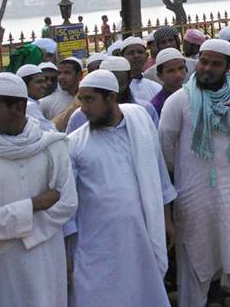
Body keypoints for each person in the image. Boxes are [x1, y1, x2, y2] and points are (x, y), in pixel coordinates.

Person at [158, 39, 230, 307]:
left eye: (216, 64)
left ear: (229, 66)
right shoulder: (179, 100)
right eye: (204, 61)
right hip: (196, 197)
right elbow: (166, 149)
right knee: (196, 263)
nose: (207, 68)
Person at [65, 69, 177, 307]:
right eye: (81, 99)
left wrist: (166, 220)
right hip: (95, 244)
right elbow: (67, 206)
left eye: (89, 99)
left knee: (142, 294)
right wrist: (67, 254)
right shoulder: (74, 144)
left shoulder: (140, 123)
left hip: (140, 237)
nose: (83, 107)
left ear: (111, 97)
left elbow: (159, 175)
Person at [0, 73, 78, 307]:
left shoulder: (54, 147)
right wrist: (34, 205)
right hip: (0, 267)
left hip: (45, 261)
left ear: (18, 106)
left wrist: (0, 219)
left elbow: (66, 205)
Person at [65, 56, 159, 134]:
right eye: (107, 86)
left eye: (118, 84)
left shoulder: (145, 110)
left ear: (129, 79)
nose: (114, 91)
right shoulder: (79, 116)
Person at [120, 37, 162, 103]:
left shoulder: (156, 87)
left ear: (146, 56)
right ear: (122, 58)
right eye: (131, 53)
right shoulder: (120, 88)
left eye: (140, 52)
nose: (136, 56)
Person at [149, 48, 188, 116]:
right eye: (171, 71)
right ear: (160, 76)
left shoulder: (193, 96)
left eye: (181, 68)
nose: (178, 75)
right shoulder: (156, 106)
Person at [16, 64, 52, 131]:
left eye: (44, 81)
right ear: (24, 85)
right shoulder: (28, 106)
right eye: (39, 82)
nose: (44, 85)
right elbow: (50, 131)